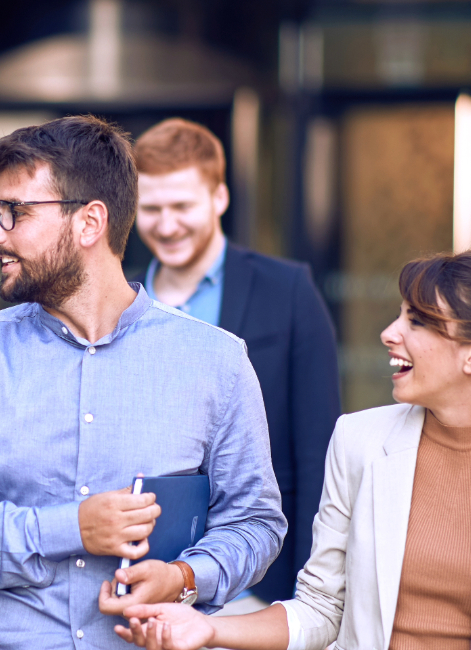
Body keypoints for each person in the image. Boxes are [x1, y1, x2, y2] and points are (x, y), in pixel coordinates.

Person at [0, 115, 286, 650]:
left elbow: (255, 521)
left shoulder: (217, 361)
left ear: (90, 222)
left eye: (13, 212)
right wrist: (70, 528)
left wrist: (185, 577)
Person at [115, 249, 471, 650]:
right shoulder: (358, 441)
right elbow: (322, 608)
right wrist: (209, 628)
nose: (390, 333)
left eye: (418, 321)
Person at [133, 118, 340, 605]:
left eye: (182, 206)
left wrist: (308, 595)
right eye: (151, 208)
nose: (167, 225)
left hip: (259, 585)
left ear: (219, 198)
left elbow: (319, 452)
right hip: (143, 583)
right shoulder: (121, 298)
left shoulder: (288, 290)